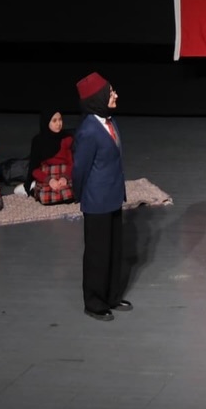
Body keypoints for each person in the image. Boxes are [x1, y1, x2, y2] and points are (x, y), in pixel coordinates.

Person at [72, 72, 129, 322]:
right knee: (97, 254)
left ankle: (112, 296)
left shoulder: (110, 121)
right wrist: (81, 195)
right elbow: (80, 169)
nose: (115, 95)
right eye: (110, 92)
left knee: (114, 251)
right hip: (97, 202)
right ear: (98, 98)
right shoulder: (88, 131)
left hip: (113, 197)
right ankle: (94, 302)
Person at [25, 108, 75, 205]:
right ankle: (33, 187)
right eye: (54, 121)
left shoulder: (67, 138)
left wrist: (65, 178)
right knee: (46, 198)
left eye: (60, 120)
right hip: (47, 174)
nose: (58, 124)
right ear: (47, 122)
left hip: (63, 172)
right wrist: (49, 180)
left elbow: (71, 163)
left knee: (71, 194)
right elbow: (34, 169)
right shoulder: (38, 141)